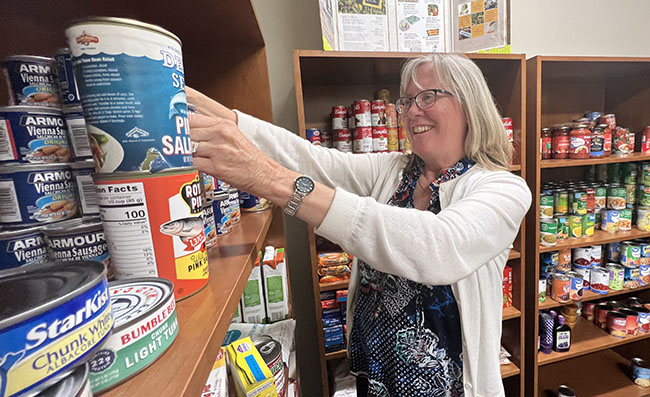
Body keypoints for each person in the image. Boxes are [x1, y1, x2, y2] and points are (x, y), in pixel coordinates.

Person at [187, 52, 531, 397]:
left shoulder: (503, 189)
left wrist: (274, 182)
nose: (412, 111)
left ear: (470, 105)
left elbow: (438, 248)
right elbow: (310, 160)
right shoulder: (393, 171)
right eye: (407, 101)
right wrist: (223, 118)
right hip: (375, 377)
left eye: (428, 96)